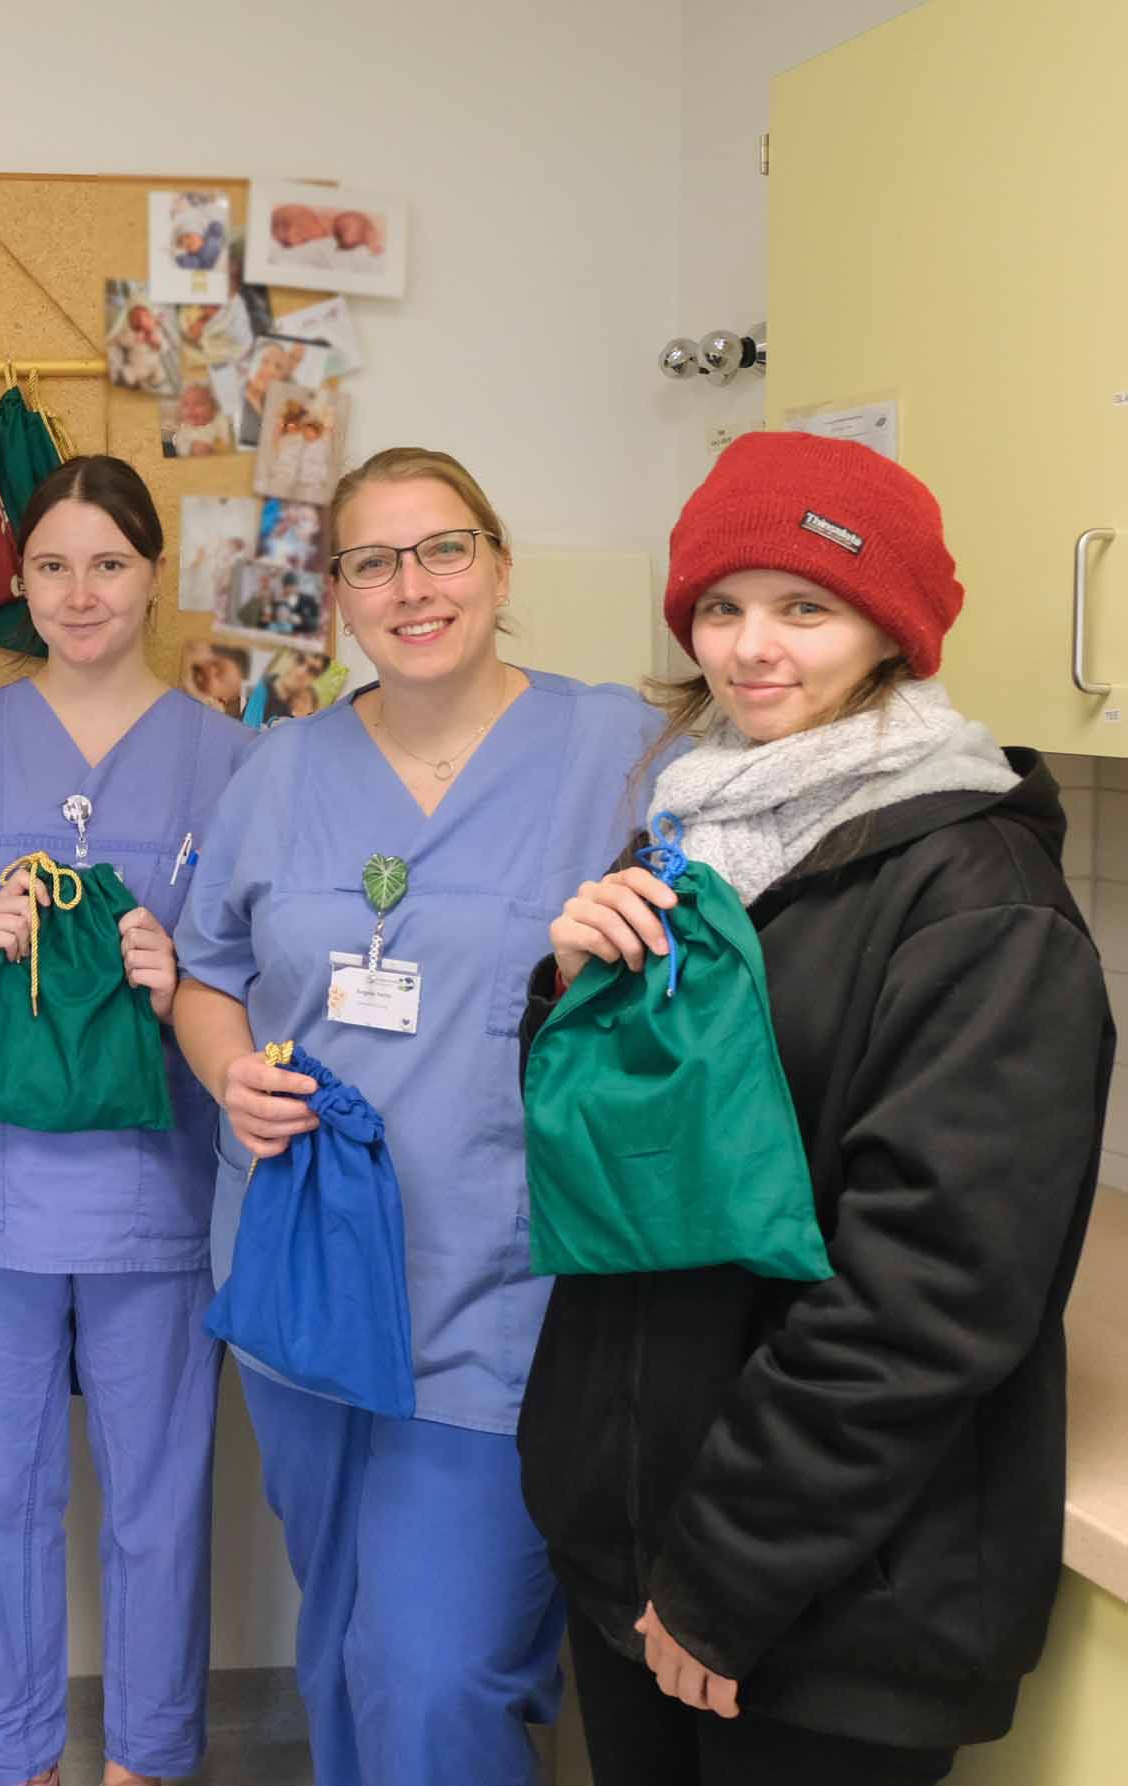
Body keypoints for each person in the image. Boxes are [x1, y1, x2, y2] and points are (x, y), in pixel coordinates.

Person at [519, 432, 1111, 1785]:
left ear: (891, 629)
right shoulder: (692, 840)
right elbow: (619, 1175)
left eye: (805, 606)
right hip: (634, 1552)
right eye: (722, 606)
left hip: (827, 1606)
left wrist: (723, 1571)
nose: (750, 648)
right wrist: (567, 996)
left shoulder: (981, 899)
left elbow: (926, 1295)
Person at [172, 446, 661, 1786]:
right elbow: (206, 972)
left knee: (438, 1672)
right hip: (304, 1269)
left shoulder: (617, 749)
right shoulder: (280, 769)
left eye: (444, 549)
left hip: (503, 1293)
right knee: (342, 1638)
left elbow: (700, 979)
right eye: (373, 562)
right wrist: (229, 1073)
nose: (413, 586)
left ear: (498, 567)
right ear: (336, 595)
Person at [0, 455, 254, 1786]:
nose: (79, 594)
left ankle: (146, 1760)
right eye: (50, 566)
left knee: (159, 1494)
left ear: (154, 577)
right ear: (18, 582)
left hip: (158, 1179)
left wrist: (178, 973)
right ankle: (15, 1758)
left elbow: (265, 968)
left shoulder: (230, 758)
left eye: (108, 564)